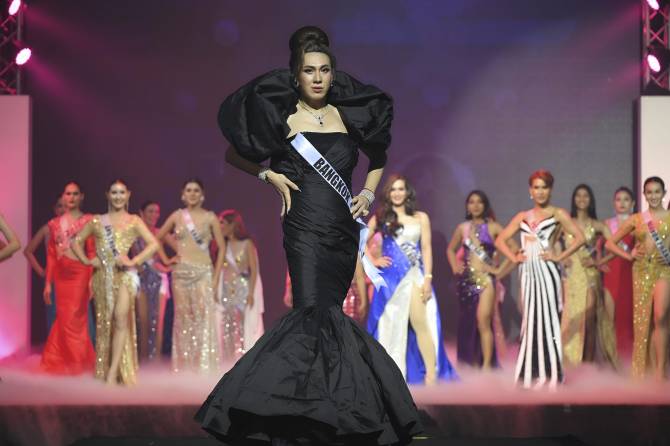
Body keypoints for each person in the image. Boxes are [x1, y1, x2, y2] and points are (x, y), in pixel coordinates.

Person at [196, 26, 421, 446]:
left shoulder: (346, 116)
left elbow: (378, 156)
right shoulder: (282, 117)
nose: (317, 78)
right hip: (303, 228)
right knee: (310, 313)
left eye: (324, 70)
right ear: (296, 76)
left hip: (340, 233)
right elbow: (233, 153)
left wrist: (367, 193)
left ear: (333, 75)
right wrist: (268, 175)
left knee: (330, 316)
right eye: (309, 71)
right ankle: (285, 414)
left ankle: (325, 416)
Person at [495, 170, 585, 389]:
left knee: (549, 321)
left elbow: (580, 238)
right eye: (536, 187)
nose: (540, 191)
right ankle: (530, 373)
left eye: (544, 187)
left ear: (550, 190)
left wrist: (559, 257)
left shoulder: (558, 214)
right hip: (528, 272)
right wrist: (514, 258)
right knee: (530, 322)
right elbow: (500, 240)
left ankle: (552, 374)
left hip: (547, 271)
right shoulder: (522, 216)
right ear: (530, 190)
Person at [367, 174, 458, 384]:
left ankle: (431, 375)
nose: (397, 193)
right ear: (388, 193)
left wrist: (428, 278)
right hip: (391, 282)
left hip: (415, 276)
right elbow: (359, 240)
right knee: (390, 326)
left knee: (420, 323)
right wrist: (374, 259)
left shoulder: (421, 217)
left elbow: (426, 248)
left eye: (401, 189)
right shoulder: (381, 217)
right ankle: (391, 375)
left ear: (408, 192)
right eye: (393, 189)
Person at [71, 179, 158, 385]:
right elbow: (75, 241)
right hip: (102, 277)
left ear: (128, 195)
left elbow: (153, 244)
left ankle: (112, 373)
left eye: (121, 192)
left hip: (124, 276)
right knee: (104, 324)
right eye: (114, 192)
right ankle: (105, 370)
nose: (118, 196)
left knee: (120, 318)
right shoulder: (97, 221)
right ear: (107, 195)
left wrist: (134, 261)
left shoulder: (134, 220)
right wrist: (87, 260)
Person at [157, 179, 224, 373]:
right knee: (183, 319)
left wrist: (216, 277)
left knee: (203, 317)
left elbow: (221, 248)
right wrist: (166, 260)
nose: (192, 193)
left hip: (203, 272)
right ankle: (184, 366)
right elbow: (158, 237)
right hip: (181, 274)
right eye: (188, 190)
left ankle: (203, 367)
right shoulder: (177, 216)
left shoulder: (210, 217)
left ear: (202, 195)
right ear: (183, 195)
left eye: (196, 190)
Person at [606, 176, 670, 380]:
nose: (653, 196)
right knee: (642, 322)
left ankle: (660, 370)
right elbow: (609, 243)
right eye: (649, 192)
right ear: (644, 194)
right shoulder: (637, 219)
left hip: (664, 270)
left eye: (657, 191)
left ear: (664, 193)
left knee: (660, 315)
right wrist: (629, 255)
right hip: (641, 271)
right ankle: (642, 371)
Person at [446, 190, 514, 369]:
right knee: (467, 323)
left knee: (483, 321)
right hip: (466, 281)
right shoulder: (463, 228)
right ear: (467, 206)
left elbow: (514, 250)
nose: (475, 206)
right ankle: (470, 362)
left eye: (479, 202)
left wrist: (498, 271)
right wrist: (455, 266)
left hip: (485, 280)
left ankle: (486, 365)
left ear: (485, 205)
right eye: (471, 202)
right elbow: (451, 249)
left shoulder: (494, 227)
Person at [40, 182, 96, 375]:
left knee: (75, 318)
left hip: (80, 274)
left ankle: (77, 363)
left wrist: (91, 280)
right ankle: (62, 361)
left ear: (81, 197)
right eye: (67, 194)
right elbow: (51, 255)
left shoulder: (88, 220)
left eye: (75, 194)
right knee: (63, 318)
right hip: (61, 276)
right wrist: (48, 283)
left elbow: (91, 251)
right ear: (63, 197)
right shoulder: (54, 224)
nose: (71, 197)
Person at [561, 184, 617, 368]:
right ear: (574, 199)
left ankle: (589, 364)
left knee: (590, 319)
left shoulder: (597, 225)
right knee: (572, 319)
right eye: (578, 195)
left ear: (591, 199)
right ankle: (570, 363)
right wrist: (561, 258)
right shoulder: (566, 223)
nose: (582, 199)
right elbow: (551, 244)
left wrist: (599, 262)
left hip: (590, 275)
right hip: (571, 277)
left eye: (586, 196)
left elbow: (615, 247)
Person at [216, 209, 264, 362]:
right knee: (228, 325)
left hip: (243, 288)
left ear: (232, 225)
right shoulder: (223, 245)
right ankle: (228, 360)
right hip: (226, 289)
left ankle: (244, 359)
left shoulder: (247, 243)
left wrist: (251, 293)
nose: (219, 226)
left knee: (243, 324)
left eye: (222, 223)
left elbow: (254, 270)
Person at [132, 201, 174, 361]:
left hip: (158, 279)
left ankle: (155, 362)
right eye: (150, 211)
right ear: (141, 213)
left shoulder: (160, 233)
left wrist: (167, 266)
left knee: (157, 322)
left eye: (156, 212)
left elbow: (181, 249)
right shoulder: (134, 234)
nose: (154, 215)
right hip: (141, 278)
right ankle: (142, 362)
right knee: (143, 321)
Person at [600, 187, 635, 357]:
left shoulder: (637, 223)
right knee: (609, 317)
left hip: (630, 273)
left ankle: (628, 356)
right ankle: (612, 357)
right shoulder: (607, 224)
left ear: (633, 203)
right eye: (618, 199)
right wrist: (599, 263)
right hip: (610, 274)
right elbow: (598, 248)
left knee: (627, 316)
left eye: (626, 199)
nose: (622, 203)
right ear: (614, 203)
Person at [24, 196, 65, 333]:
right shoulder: (47, 228)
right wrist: (41, 272)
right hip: (53, 278)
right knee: (54, 315)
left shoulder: (76, 227)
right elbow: (28, 251)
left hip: (73, 277)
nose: (63, 209)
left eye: (66, 206)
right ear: (54, 209)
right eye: (59, 206)